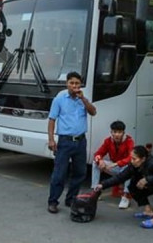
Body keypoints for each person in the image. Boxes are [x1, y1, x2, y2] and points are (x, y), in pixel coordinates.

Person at [46, 71, 97, 214]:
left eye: (77, 83)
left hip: (80, 141)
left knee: (80, 172)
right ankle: (53, 201)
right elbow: (51, 120)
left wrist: (84, 100)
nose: (74, 86)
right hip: (65, 141)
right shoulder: (59, 99)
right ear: (67, 84)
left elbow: (93, 112)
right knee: (60, 173)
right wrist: (51, 140)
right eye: (72, 83)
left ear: (80, 84)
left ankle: (71, 199)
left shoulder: (83, 99)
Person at [94, 145, 153, 229]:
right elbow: (120, 177)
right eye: (131, 158)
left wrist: (147, 179)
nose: (132, 161)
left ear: (143, 159)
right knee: (133, 184)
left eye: (134, 159)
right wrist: (102, 185)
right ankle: (149, 211)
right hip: (152, 184)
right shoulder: (133, 166)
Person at [91, 120, 135, 209]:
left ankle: (126, 196)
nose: (117, 135)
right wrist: (100, 161)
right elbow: (97, 154)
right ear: (111, 132)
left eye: (119, 132)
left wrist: (116, 164)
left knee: (131, 167)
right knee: (95, 163)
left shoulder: (129, 141)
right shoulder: (108, 141)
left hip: (125, 168)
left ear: (123, 133)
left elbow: (131, 158)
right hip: (115, 168)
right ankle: (95, 190)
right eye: (114, 132)